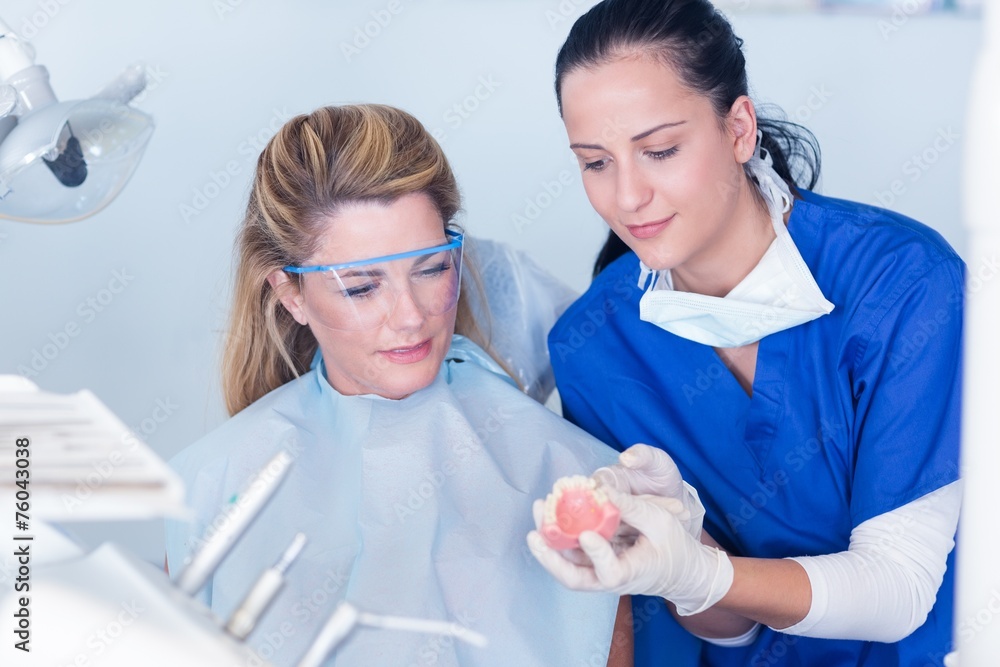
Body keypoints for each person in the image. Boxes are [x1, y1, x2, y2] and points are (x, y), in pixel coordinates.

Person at [525, 1, 964, 666]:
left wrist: (708, 573)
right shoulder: (594, 346)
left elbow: (900, 586)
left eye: (660, 150)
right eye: (595, 162)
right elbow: (732, 634)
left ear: (738, 129)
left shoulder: (902, 284)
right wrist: (679, 554)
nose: (627, 196)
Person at [164, 104, 631, 666]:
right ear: (290, 295)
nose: (411, 316)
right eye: (362, 287)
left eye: (432, 268)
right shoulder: (210, 489)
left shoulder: (565, 473)